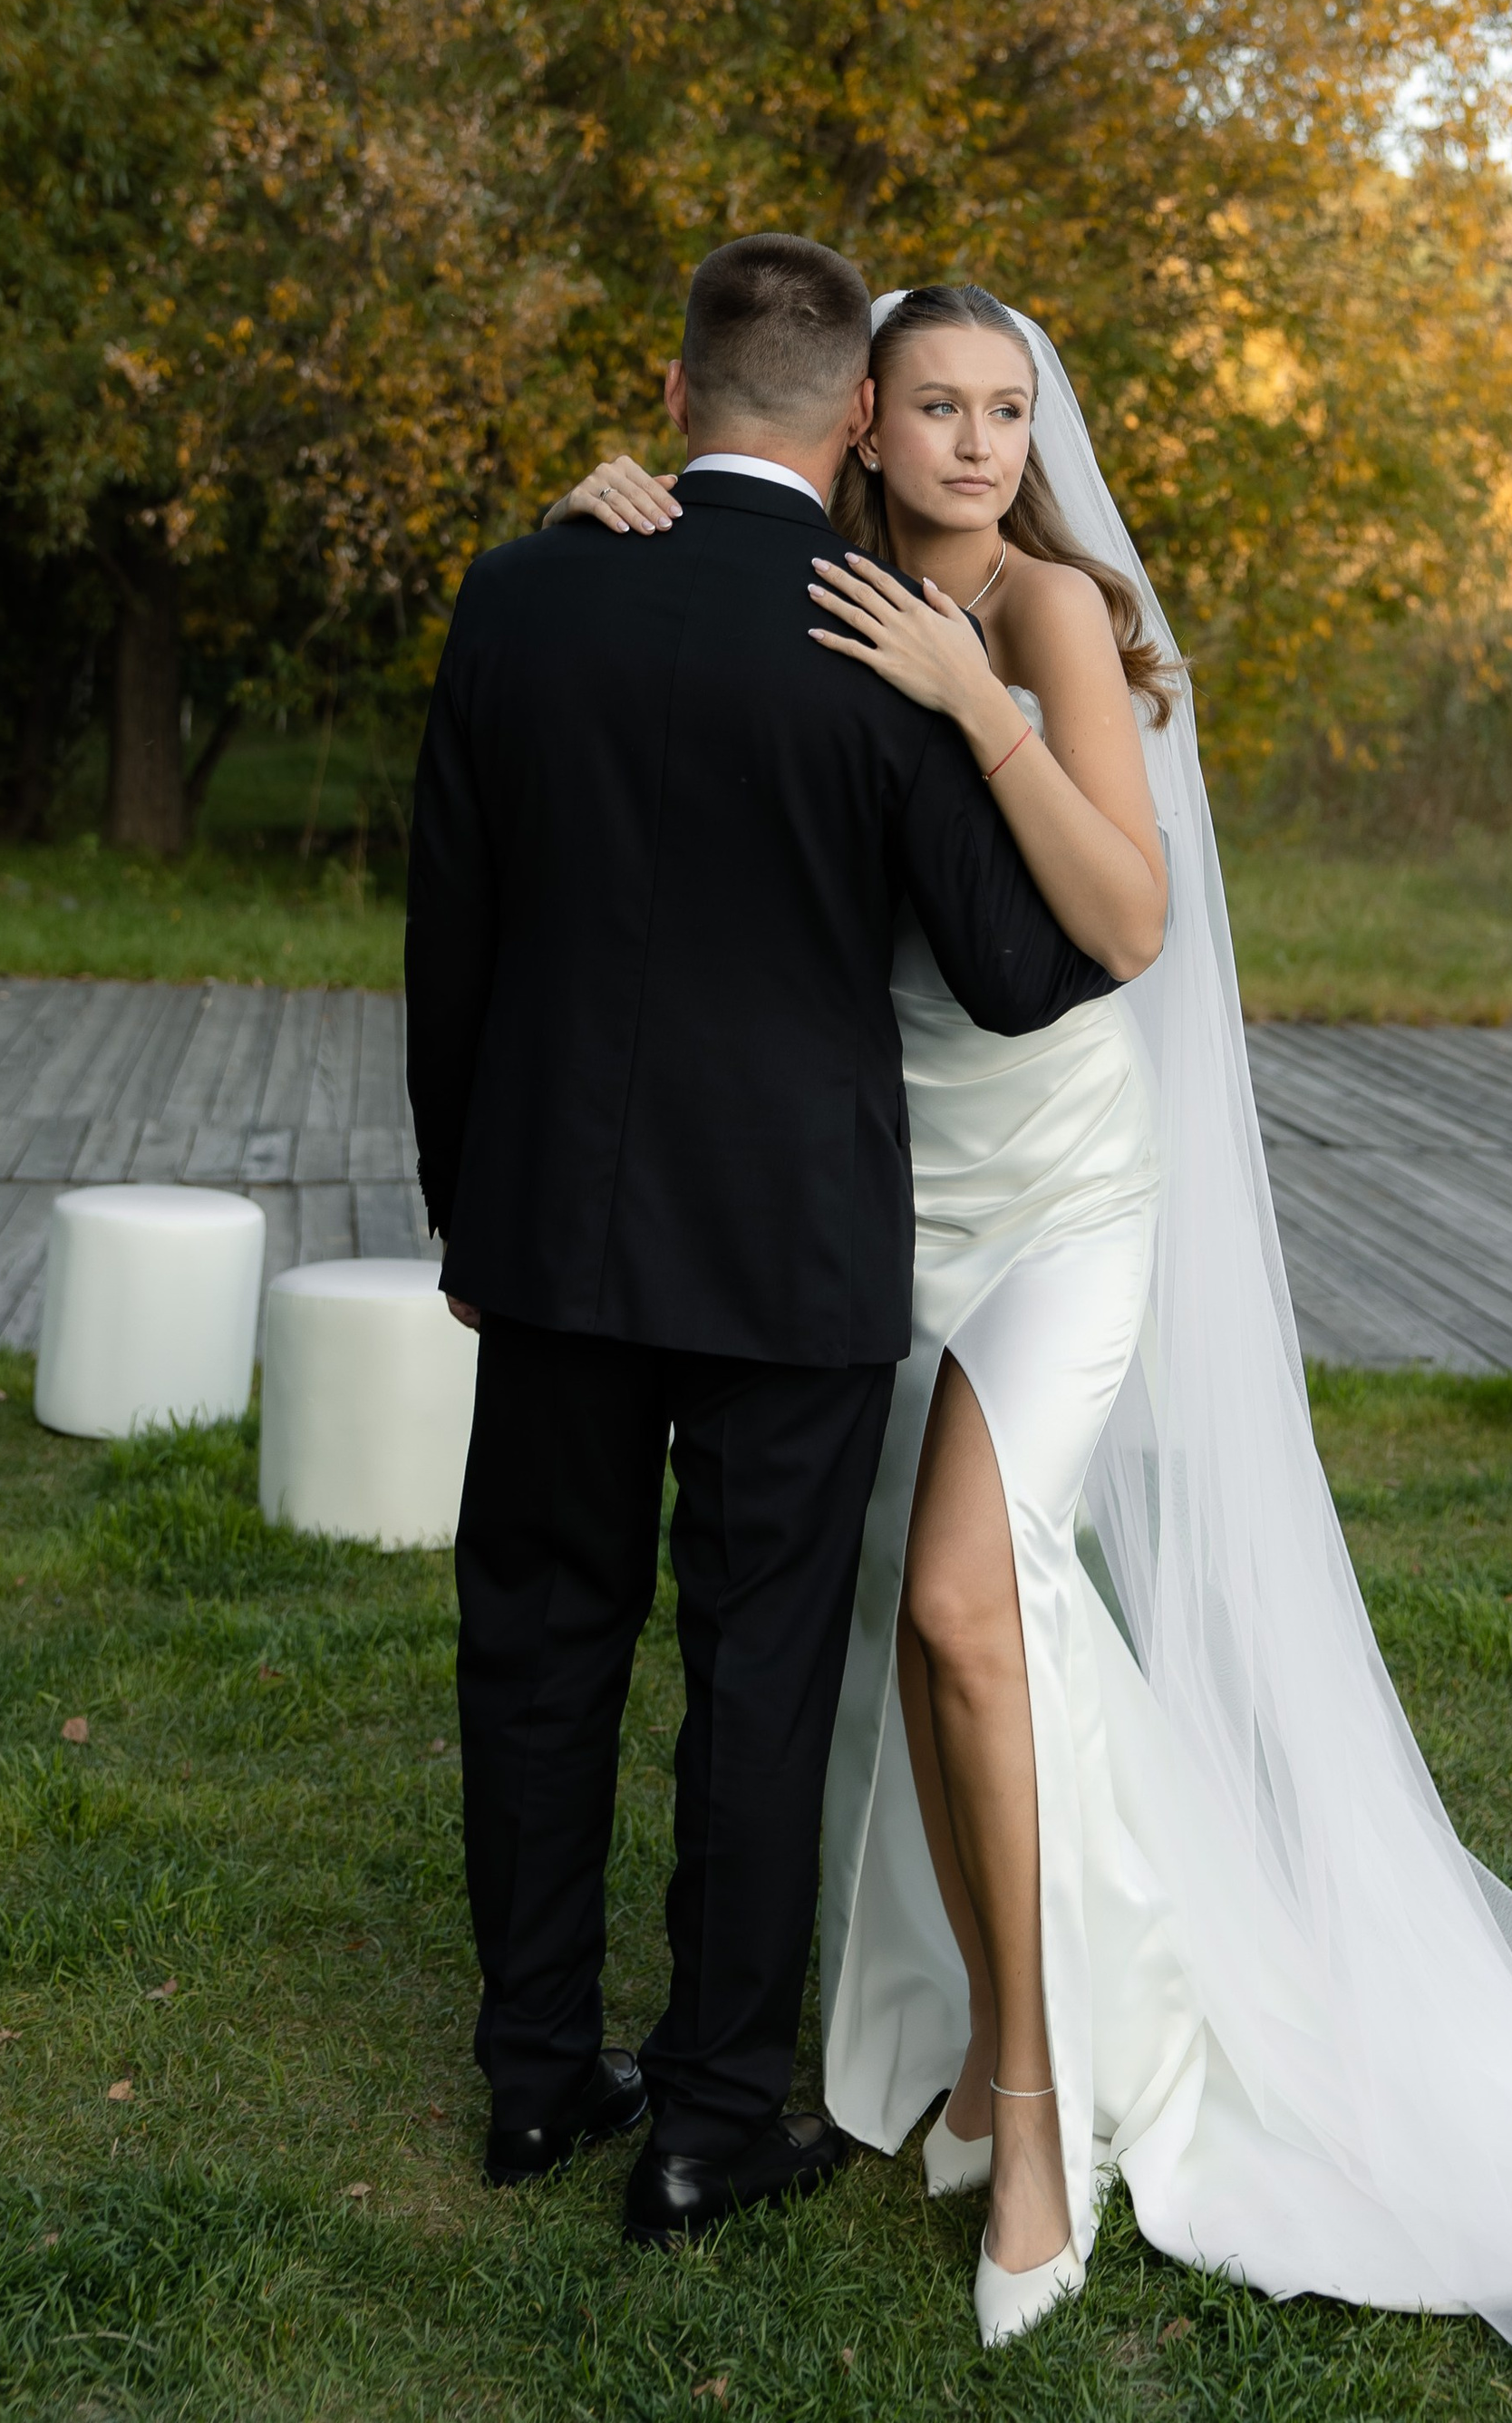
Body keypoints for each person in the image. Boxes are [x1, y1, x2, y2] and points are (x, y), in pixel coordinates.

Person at [555, 280, 1512, 2410]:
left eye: (1010, 411)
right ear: (862, 428)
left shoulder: (1049, 613)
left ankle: (1041, 2122)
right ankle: (978, 2042)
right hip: (884, 1205)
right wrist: (616, 502)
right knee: (930, 1648)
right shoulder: (809, 576)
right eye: (939, 411)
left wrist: (972, 695)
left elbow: (1126, 920)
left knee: (967, 1611)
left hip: (1065, 1205)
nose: (982, 446)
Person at [404, 236, 1119, 2253]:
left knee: (538, 1649)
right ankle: (715, 2119)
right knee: (756, 1668)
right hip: (791, 1245)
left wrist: (469, 1207)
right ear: (853, 421)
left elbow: (444, 935)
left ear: (675, 388)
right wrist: (989, 741)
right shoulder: (879, 633)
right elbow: (1004, 973)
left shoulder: (522, 590)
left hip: (545, 1224)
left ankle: (536, 2078)